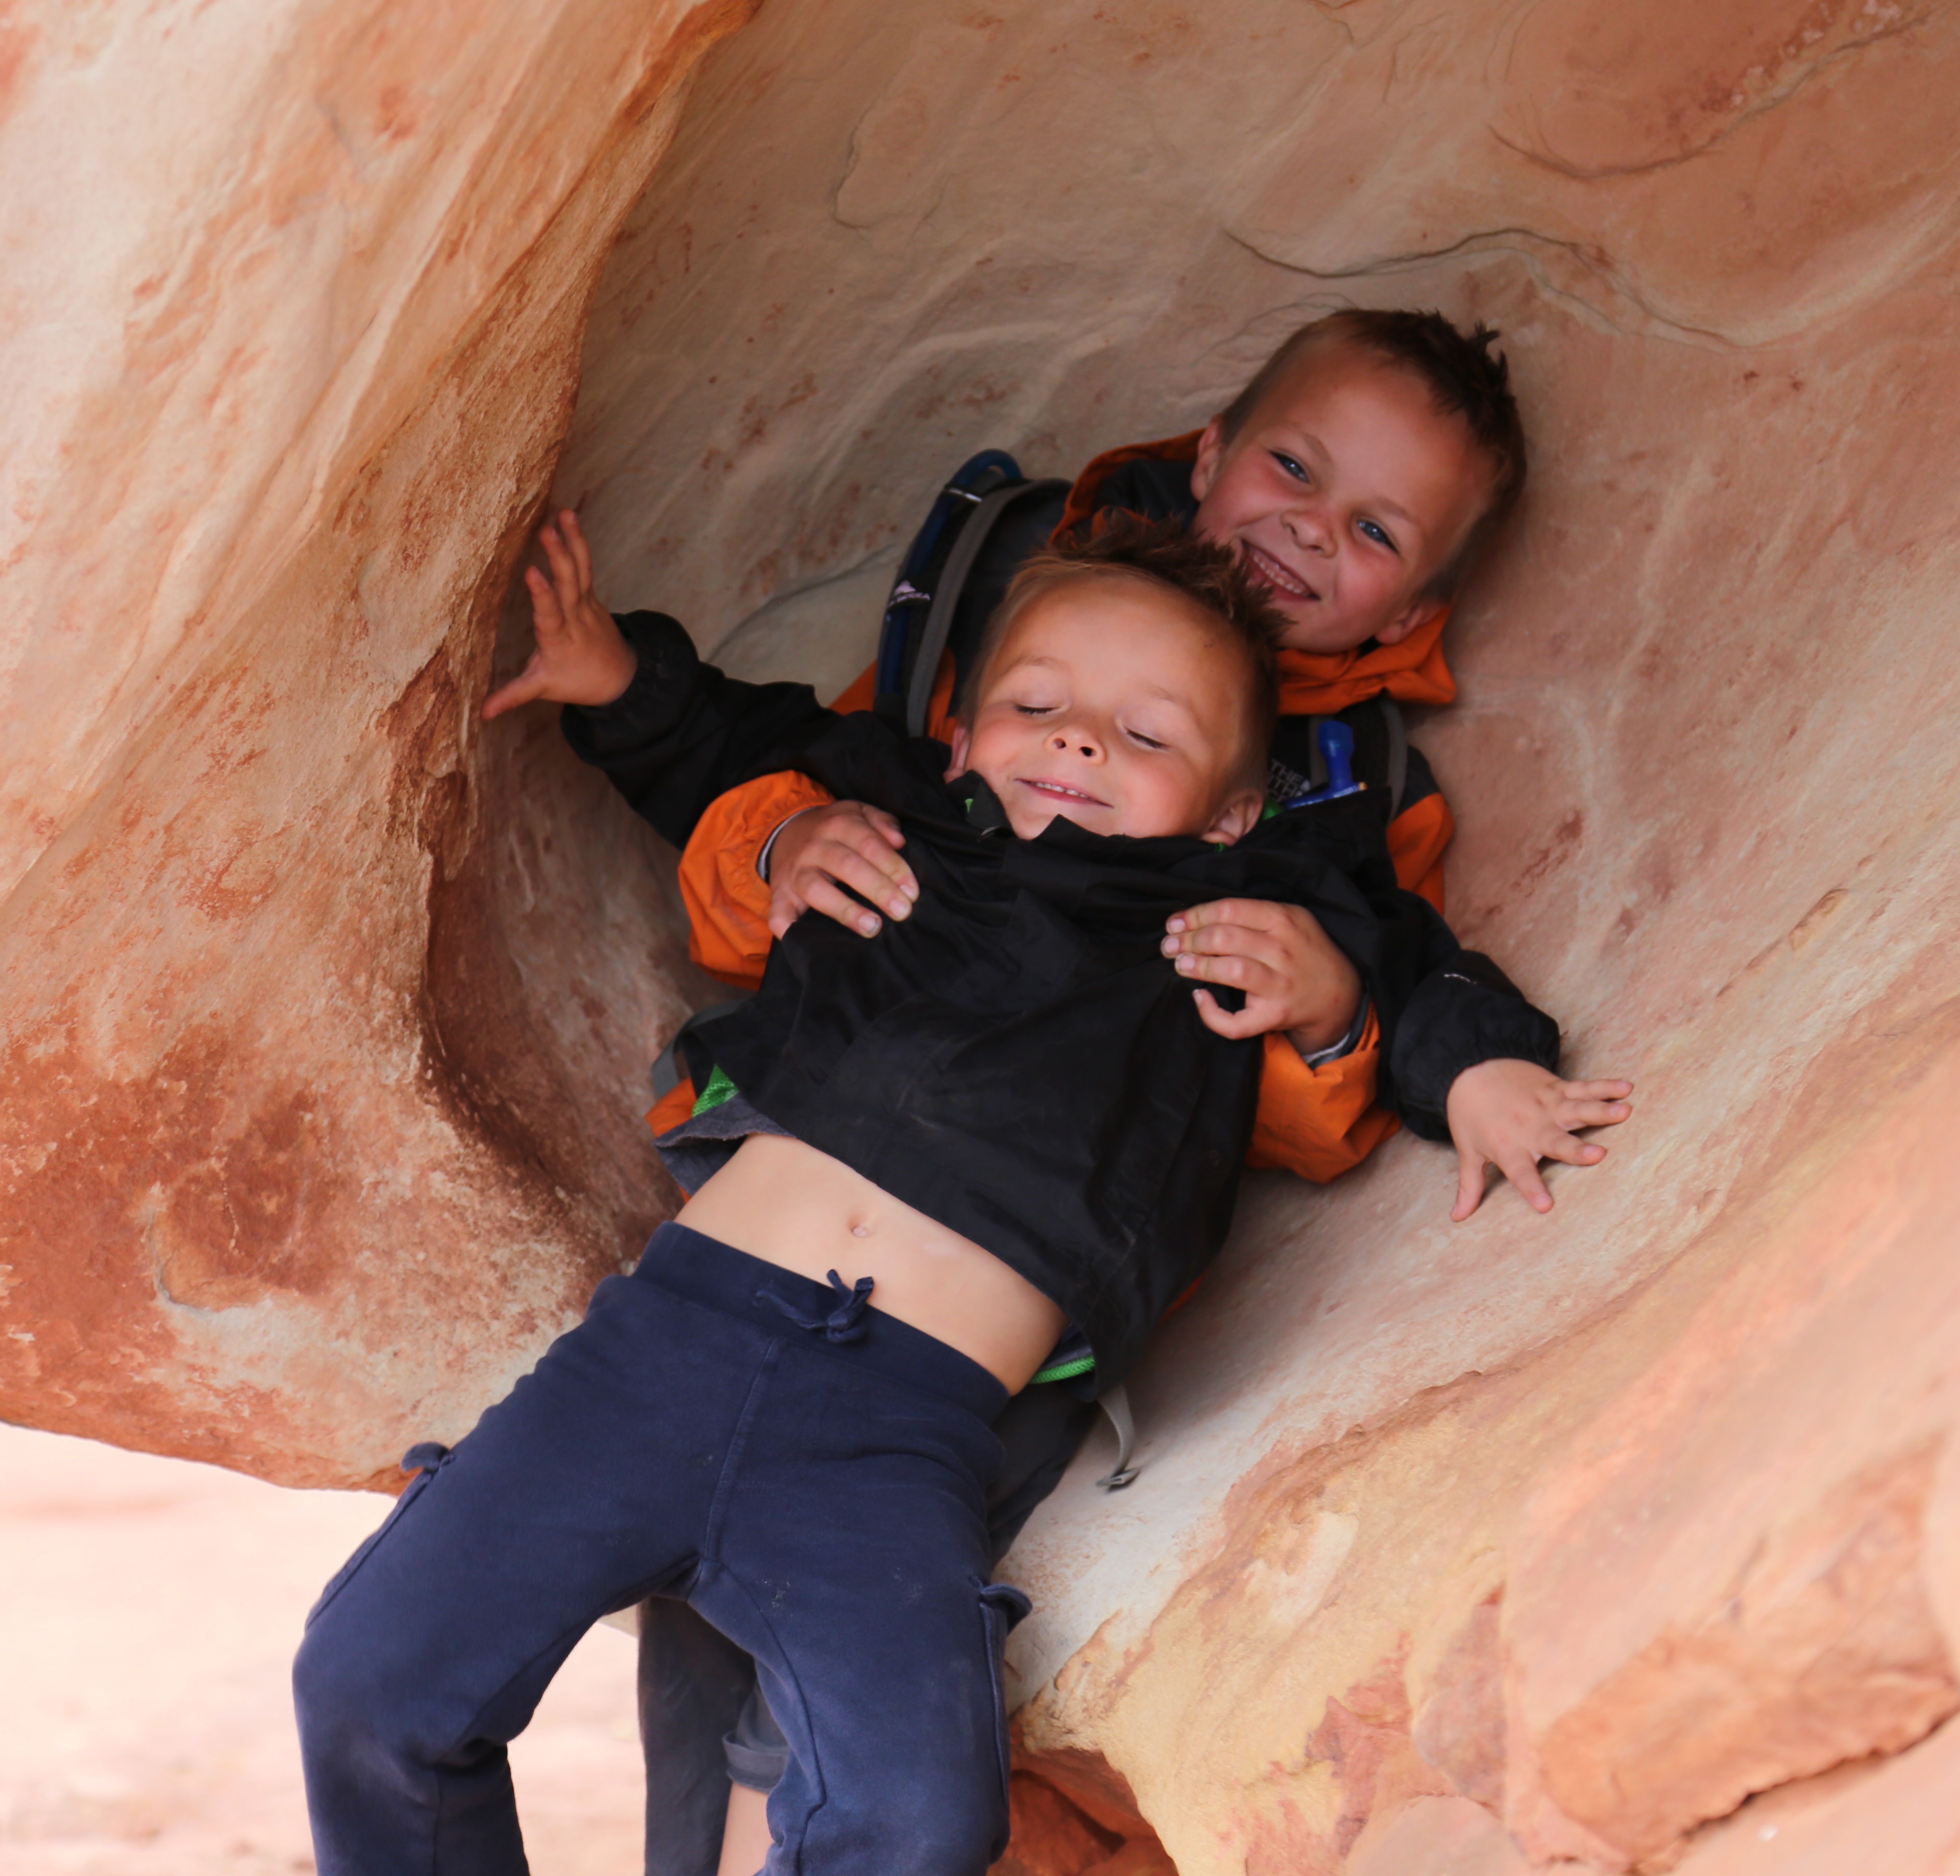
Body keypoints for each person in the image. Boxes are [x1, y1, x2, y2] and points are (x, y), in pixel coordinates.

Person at [294, 510, 1627, 1876]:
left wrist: (1425, 1042)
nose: (1084, 740)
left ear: (1233, 810)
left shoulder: (1244, 911)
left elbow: (1411, 967)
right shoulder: (896, 821)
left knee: (921, 1816)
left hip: (896, 1439)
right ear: (963, 736)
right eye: (1039, 705)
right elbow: (738, 746)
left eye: (1148, 734)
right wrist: (672, 732)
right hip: (662, 1350)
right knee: (370, 1681)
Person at [645, 308, 1615, 1875]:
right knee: (691, 1550)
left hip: (1039, 1263)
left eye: (1372, 530)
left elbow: (1398, 965)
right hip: (817, 1158)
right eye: (1293, 468)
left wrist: (1417, 1042)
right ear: (1210, 453)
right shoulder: (1029, 599)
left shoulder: (1339, 800)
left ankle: (802, 1822)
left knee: (882, 1562)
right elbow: (818, 771)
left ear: (1418, 600)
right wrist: (692, 763)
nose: (1309, 527)